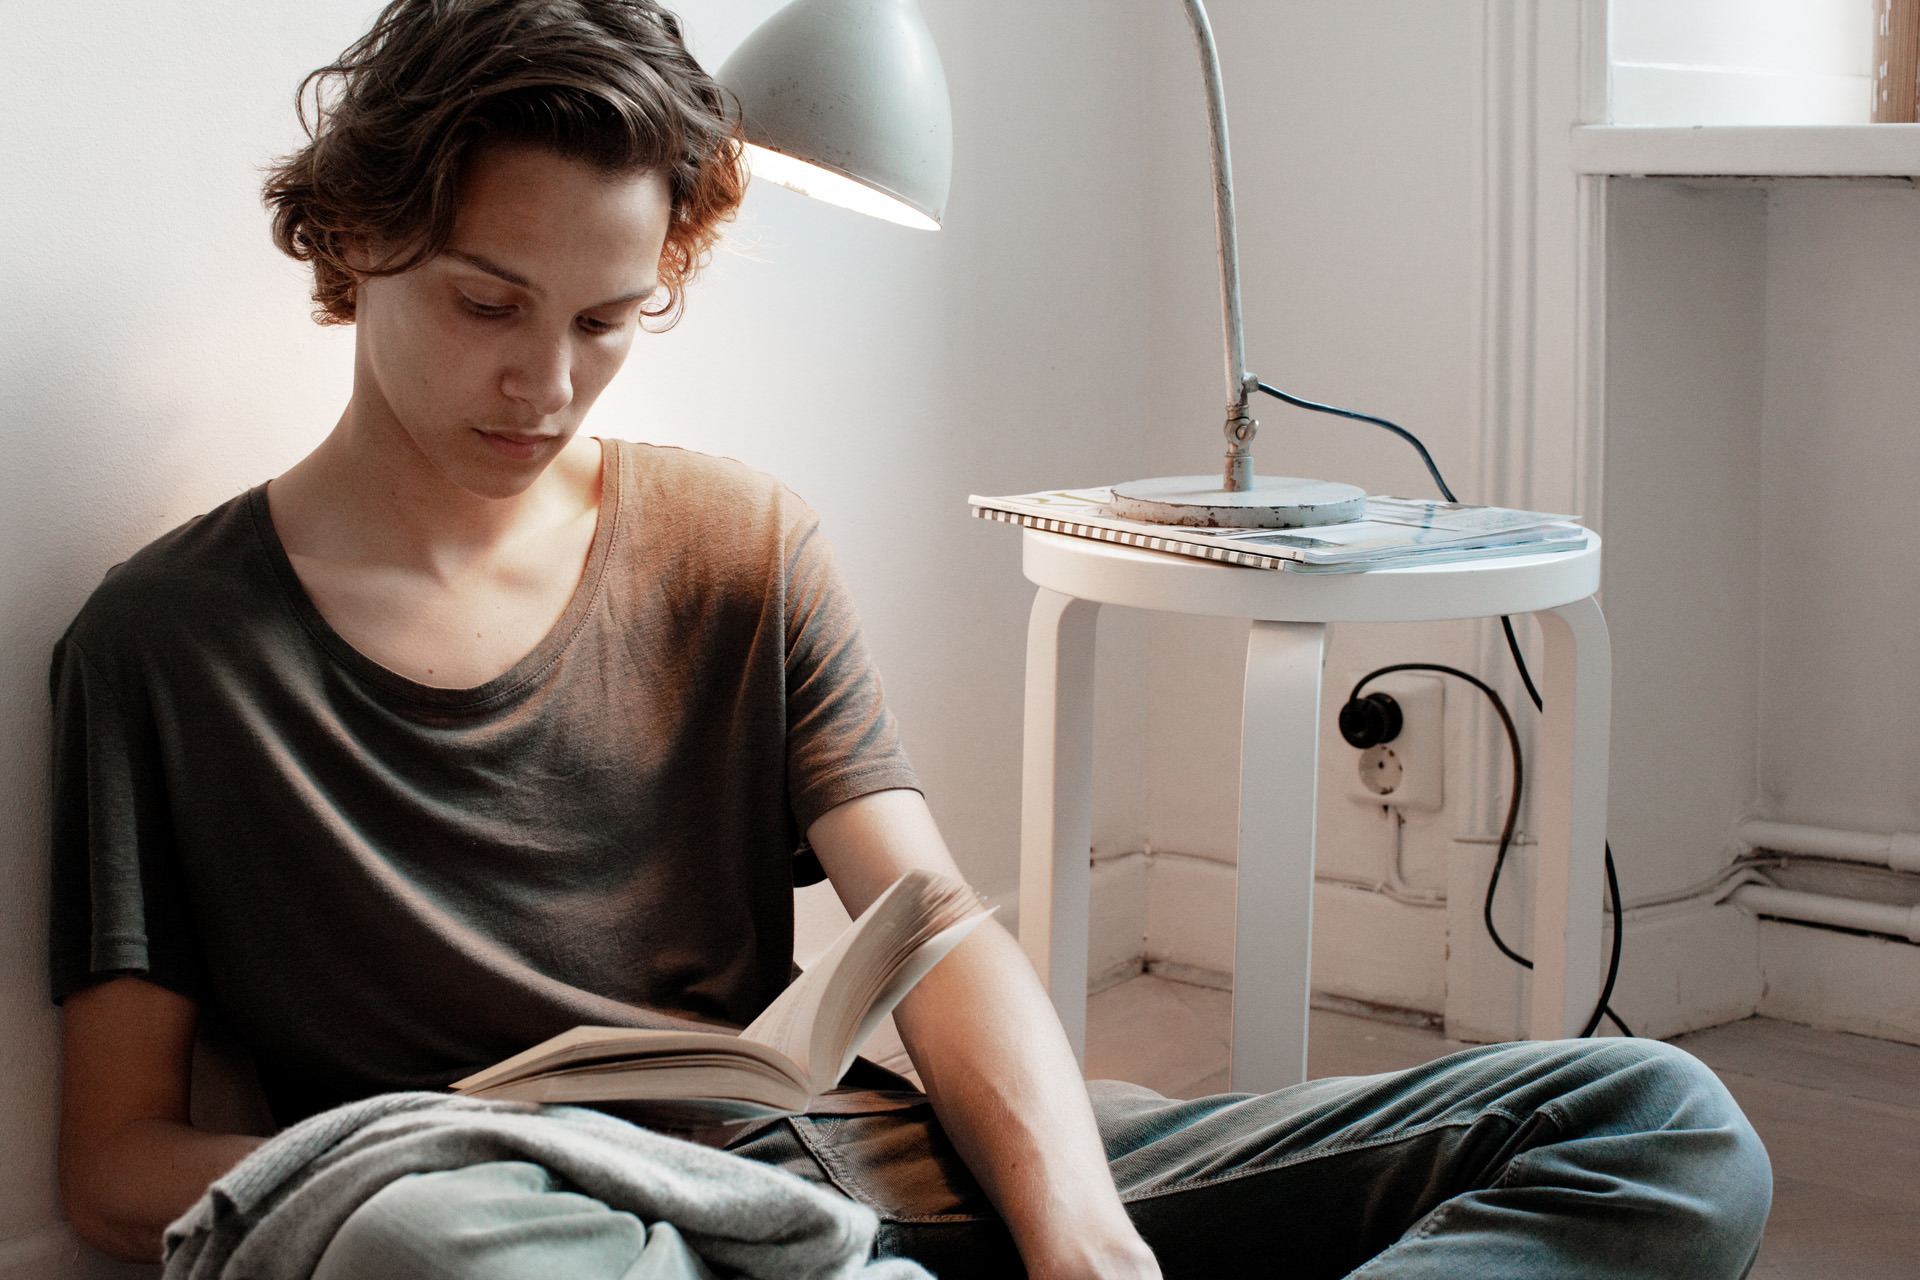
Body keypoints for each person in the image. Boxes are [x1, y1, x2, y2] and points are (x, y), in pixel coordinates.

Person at [50, 2, 1772, 1277]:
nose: (548, 383)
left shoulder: (735, 543)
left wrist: (1082, 1232)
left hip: (841, 1171)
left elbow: (930, 930)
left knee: (1654, 1128)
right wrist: (438, 1156)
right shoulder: (165, 645)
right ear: (354, 239)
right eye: (488, 306)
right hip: (522, 1229)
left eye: (606, 321)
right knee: (425, 1245)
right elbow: (117, 1162)